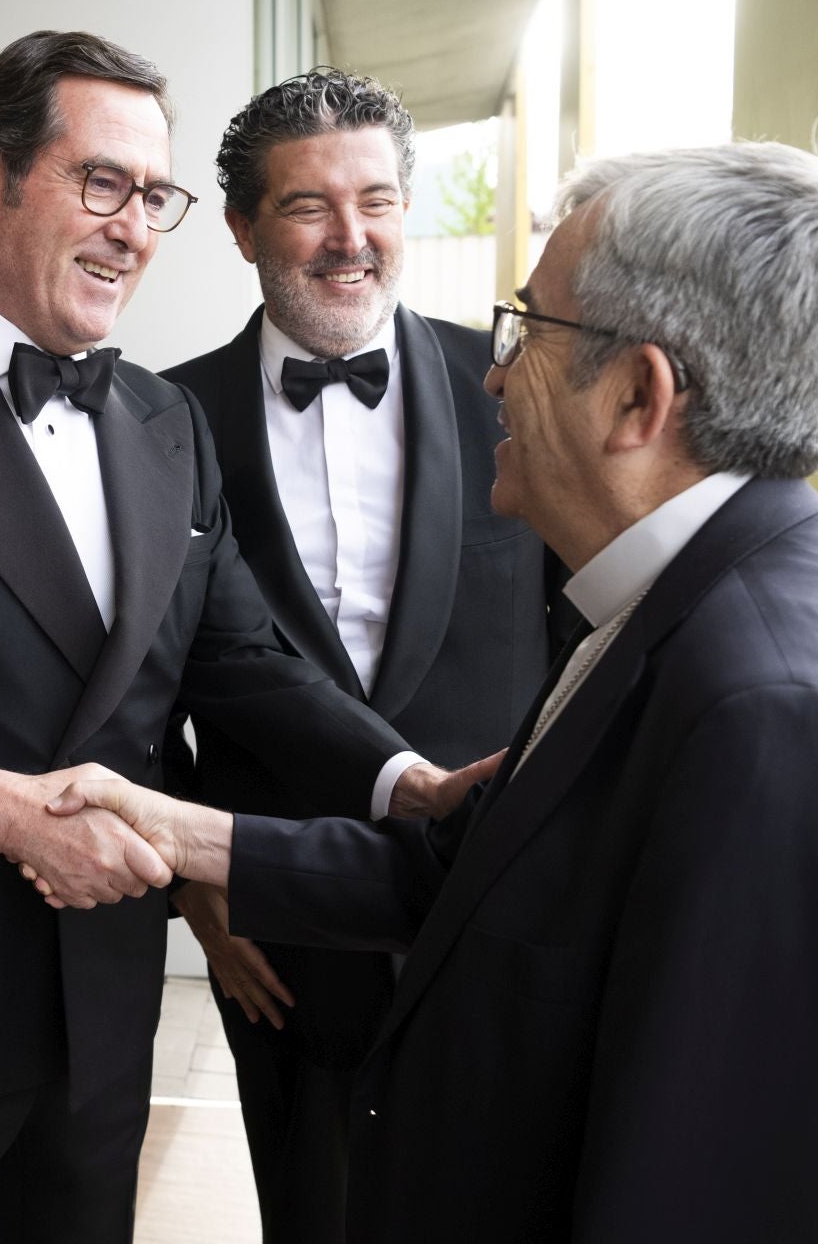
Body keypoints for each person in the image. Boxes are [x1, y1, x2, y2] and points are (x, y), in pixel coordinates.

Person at [44, 142, 818, 1242]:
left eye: (528, 330)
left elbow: (735, 1191)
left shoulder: (776, 713)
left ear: (638, 395)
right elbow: (479, 876)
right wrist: (181, 834)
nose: (494, 375)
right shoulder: (708, 605)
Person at [0, 30, 481, 1244]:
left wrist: (402, 779)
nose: (133, 228)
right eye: (101, 183)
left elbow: (242, 662)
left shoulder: (167, 419)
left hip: (105, 1003)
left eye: (153, 196)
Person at [159, 68, 571, 1239]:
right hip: (276, 924)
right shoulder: (161, 419)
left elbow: (581, 635)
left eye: (377, 200)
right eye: (308, 205)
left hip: (488, 902)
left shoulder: (517, 386)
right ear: (242, 227)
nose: (352, 237)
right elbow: (136, 683)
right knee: (311, 1209)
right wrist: (196, 883)